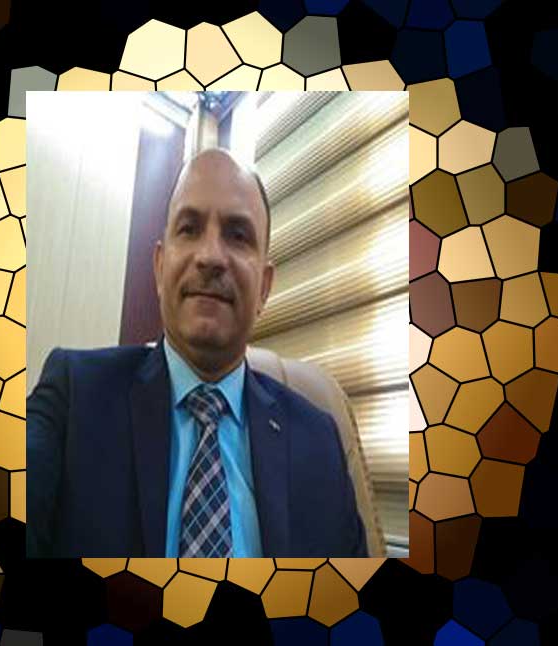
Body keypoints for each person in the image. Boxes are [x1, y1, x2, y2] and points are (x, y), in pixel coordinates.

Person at [27, 148, 367, 558]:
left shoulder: (320, 441)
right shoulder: (73, 396)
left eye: (238, 235)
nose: (210, 257)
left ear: (264, 287)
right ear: (159, 267)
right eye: (189, 229)